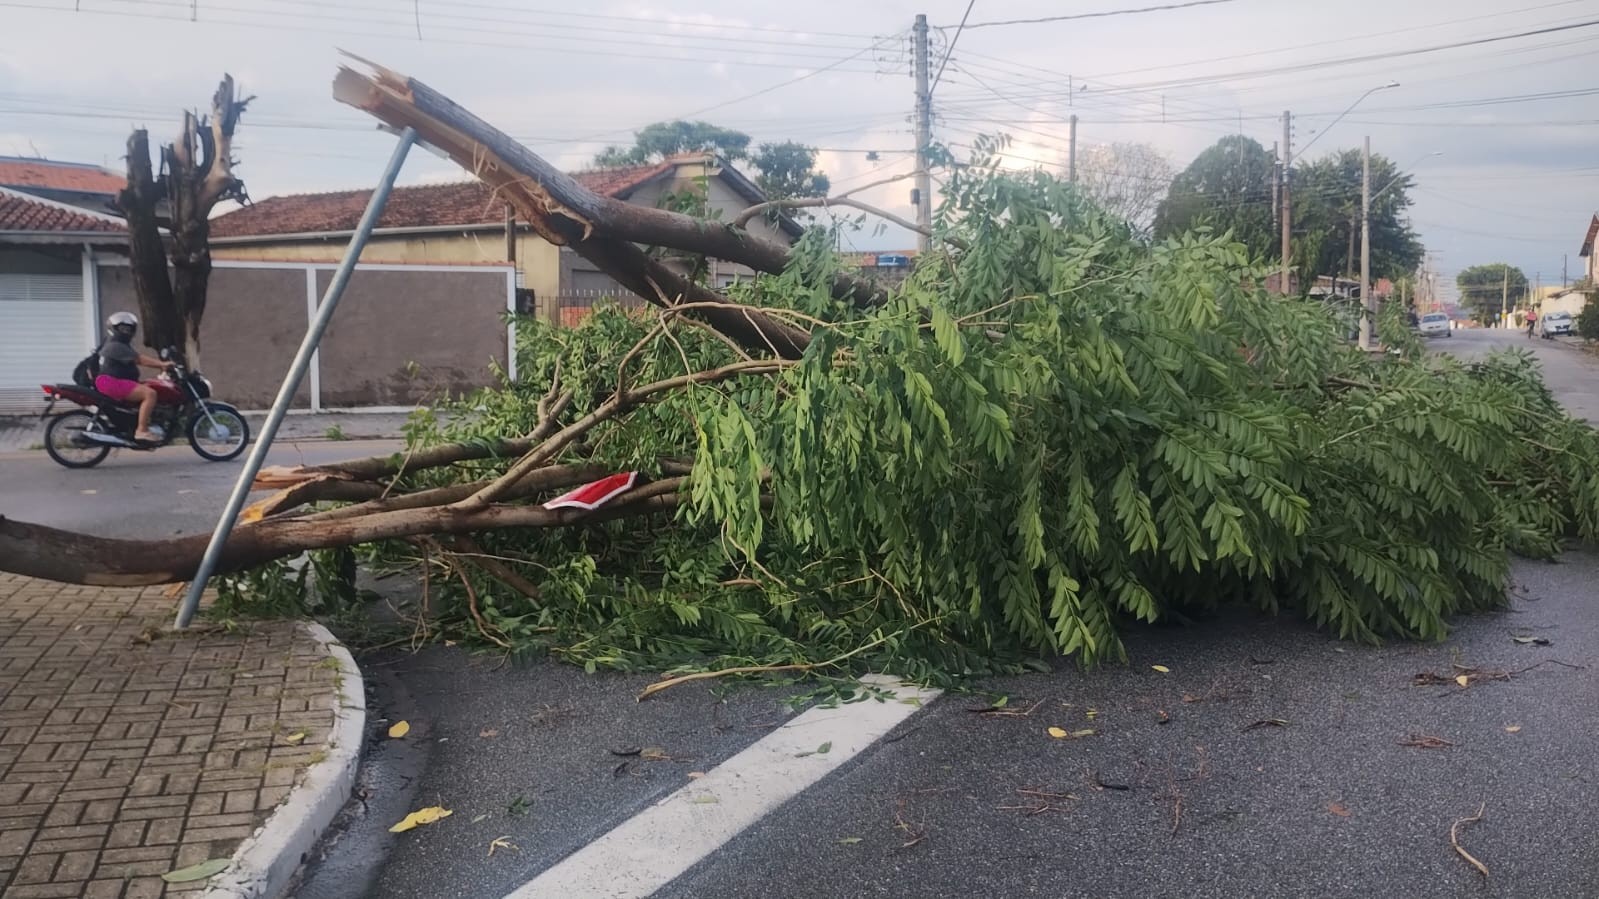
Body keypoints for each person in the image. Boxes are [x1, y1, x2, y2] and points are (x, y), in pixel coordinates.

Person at [95, 312, 172, 443]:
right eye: (122, 328)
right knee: (150, 394)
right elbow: (140, 359)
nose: (126, 331)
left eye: (129, 328)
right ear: (114, 329)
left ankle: (138, 423)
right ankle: (141, 430)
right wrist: (162, 364)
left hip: (113, 382)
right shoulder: (116, 345)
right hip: (112, 382)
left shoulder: (119, 344)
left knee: (149, 386)